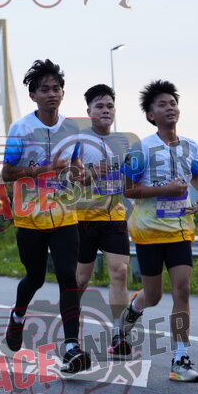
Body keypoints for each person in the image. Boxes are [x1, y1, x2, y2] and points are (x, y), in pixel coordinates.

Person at [120, 80, 198, 382]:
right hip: (148, 231)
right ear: (151, 115)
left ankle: (180, 359)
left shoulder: (191, 145)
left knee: (182, 289)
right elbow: (128, 189)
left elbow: (195, 173)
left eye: (173, 103)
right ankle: (133, 309)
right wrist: (165, 189)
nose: (170, 107)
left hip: (180, 229)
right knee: (153, 296)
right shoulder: (141, 148)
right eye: (162, 104)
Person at [1, 60, 90, 373]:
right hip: (30, 216)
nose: (51, 94)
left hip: (64, 214)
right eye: (44, 89)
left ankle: (72, 347)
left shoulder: (73, 129)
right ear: (33, 96)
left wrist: (81, 174)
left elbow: (76, 166)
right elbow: (7, 172)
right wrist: (44, 169)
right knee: (35, 277)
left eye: (56, 88)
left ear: (63, 93)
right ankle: (17, 316)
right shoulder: (21, 129)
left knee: (68, 276)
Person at [73, 84, 133, 356]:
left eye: (109, 106)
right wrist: (92, 173)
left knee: (120, 272)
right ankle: (71, 336)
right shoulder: (77, 142)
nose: (105, 110)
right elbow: (68, 179)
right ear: (89, 112)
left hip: (114, 217)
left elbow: (131, 180)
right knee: (80, 280)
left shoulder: (125, 142)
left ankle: (119, 335)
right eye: (99, 106)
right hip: (82, 218)